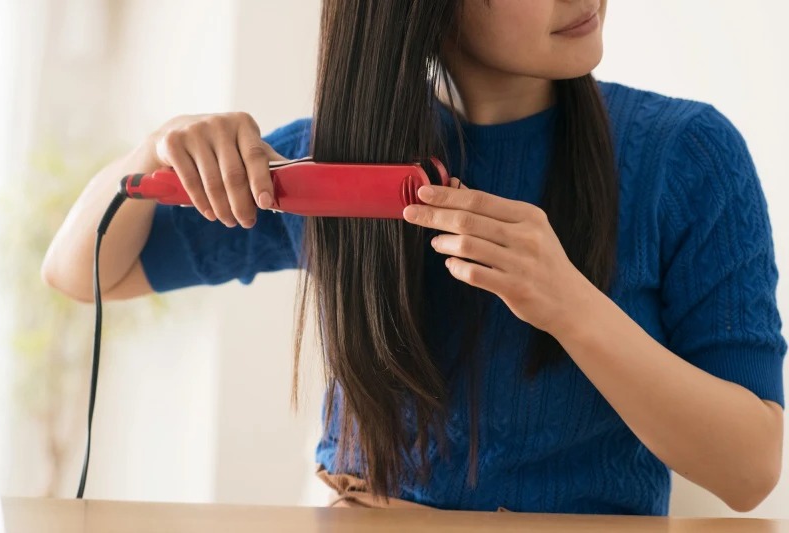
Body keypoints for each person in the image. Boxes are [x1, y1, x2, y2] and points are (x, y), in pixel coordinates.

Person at [42, 0, 786, 515]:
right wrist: (151, 152)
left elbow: (750, 469)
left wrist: (569, 303)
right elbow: (81, 271)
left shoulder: (688, 158)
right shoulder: (330, 167)